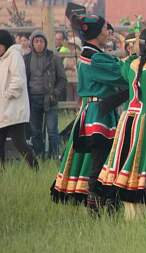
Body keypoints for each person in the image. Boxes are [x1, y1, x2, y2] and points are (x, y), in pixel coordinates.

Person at [97, 28, 146, 220]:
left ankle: (131, 210)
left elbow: (125, 69)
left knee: (127, 159)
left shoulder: (131, 64)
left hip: (129, 118)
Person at [53, 14, 125, 213]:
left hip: (94, 112)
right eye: (104, 28)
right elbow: (121, 74)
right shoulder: (96, 58)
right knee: (100, 161)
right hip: (99, 116)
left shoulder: (89, 54)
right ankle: (96, 204)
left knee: (100, 159)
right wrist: (132, 57)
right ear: (95, 33)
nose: (106, 32)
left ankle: (101, 202)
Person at [24, 31, 67, 159]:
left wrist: (55, 93)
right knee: (35, 131)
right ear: (32, 43)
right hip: (32, 98)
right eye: (36, 41)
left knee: (52, 131)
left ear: (45, 43)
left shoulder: (53, 57)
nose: (38, 44)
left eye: (41, 41)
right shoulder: (26, 59)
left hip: (50, 98)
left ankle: (54, 157)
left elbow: (62, 79)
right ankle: (39, 156)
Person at [0, 30, 38, 169]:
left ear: (4, 44)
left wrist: (5, 95)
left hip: (15, 109)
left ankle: (35, 168)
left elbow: (18, 81)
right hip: (4, 109)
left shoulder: (14, 56)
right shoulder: (3, 58)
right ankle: (2, 173)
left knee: (20, 143)